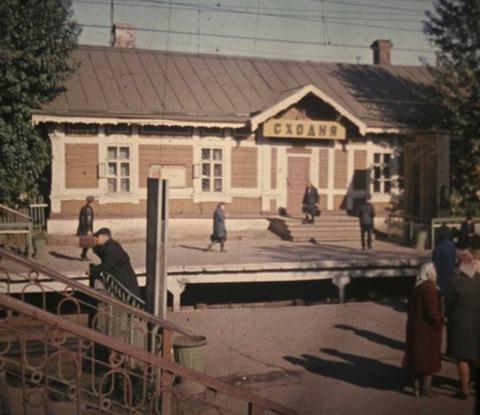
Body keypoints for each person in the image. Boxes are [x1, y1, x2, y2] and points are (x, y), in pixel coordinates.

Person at [403, 263, 443, 397]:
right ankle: (426, 389)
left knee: (416, 358)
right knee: (428, 359)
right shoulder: (430, 289)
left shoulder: (416, 288)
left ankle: (415, 388)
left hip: (414, 327)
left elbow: (409, 309)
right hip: (427, 330)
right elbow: (433, 312)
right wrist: (439, 321)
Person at [445, 250, 480, 400]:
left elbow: (449, 303)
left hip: (460, 323)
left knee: (462, 357)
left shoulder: (455, 281)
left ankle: (464, 388)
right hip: (477, 322)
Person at [90, 227, 142, 300]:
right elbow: (104, 256)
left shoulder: (111, 248)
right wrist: (94, 246)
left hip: (125, 279)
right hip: (121, 277)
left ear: (105, 236)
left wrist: (92, 270)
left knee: (130, 299)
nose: (96, 239)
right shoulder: (109, 245)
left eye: (98, 237)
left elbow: (106, 265)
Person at [432, 226, 456, 298]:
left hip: (441, 274)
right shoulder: (452, 245)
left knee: (441, 293)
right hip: (451, 272)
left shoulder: (440, 246)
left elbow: (436, 261)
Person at [76, 195, 95, 260]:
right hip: (86, 228)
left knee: (87, 242)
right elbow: (88, 219)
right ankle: (83, 255)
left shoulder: (85, 207)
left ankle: (83, 255)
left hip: (84, 227)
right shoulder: (88, 209)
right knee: (88, 242)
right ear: (92, 201)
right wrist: (89, 230)